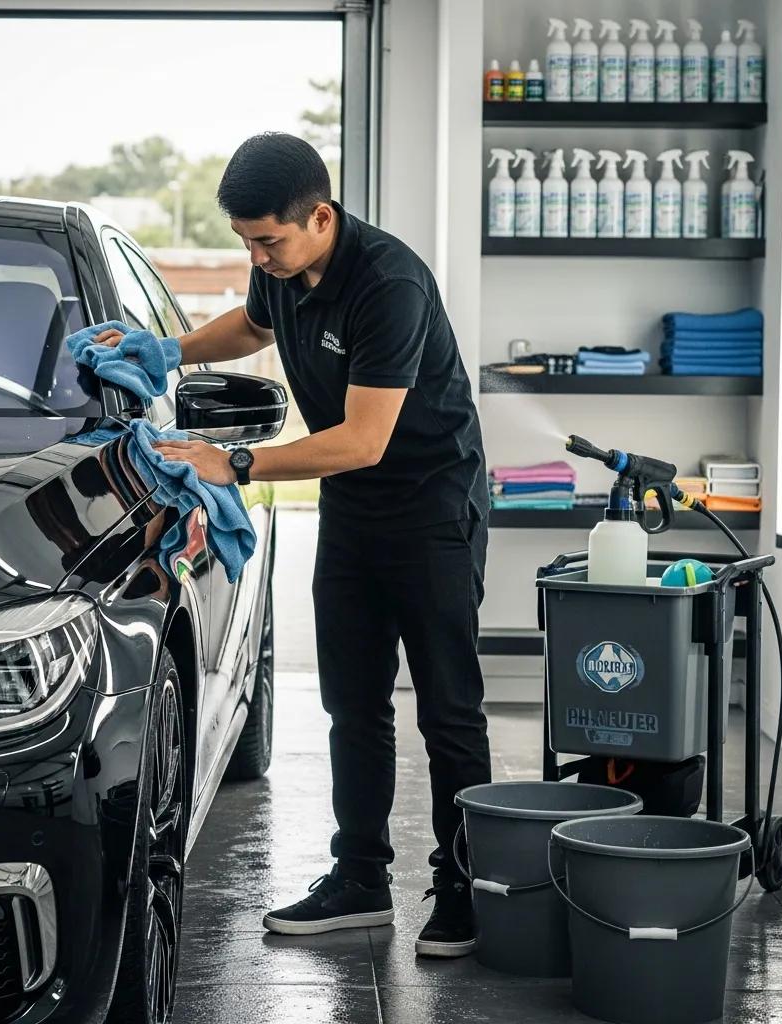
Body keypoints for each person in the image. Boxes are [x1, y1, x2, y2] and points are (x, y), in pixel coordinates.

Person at [95, 132, 490, 958]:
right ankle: (360, 881)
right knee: (353, 702)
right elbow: (252, 324)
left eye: (267, 240)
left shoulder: (391, 284)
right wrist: (169, 350)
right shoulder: (279, 264)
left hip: (430, 508)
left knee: (449, 709)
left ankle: (468, 890)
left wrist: (234, 461)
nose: (256, 254)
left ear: (320, 215)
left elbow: (365, 438)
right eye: (246, 241)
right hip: (355, 513)